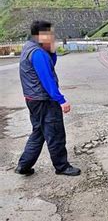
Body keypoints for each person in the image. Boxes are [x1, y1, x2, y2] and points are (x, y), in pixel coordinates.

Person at [16, 20, 81, 176]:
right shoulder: (37, 53)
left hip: (33, 99)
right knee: (55, 133)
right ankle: (62, 167)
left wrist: (51, 51)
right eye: (49, 34)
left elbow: (51, 63)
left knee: (38, 132)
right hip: (44, 100)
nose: (52, 37)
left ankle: (24, 166)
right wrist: (61, 100)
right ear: (41, 35)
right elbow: (47, 79)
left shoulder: (29, 47)